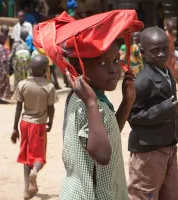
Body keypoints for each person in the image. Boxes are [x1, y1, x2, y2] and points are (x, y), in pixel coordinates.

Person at [33, 10, 143, 199]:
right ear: (78, 69)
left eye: (116, 61)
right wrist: (92, 104)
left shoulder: (91, 99)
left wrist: (127, 102)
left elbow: (107, 133)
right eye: (102, 63)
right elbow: (102, 154)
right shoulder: (89, 104)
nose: (114, 70)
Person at [128, 27, 178, 200]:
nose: (161, 53)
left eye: (165, 48)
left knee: (170, 193)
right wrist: (165, 109)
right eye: (155, 50)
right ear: (143, 52)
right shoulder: (142, 81)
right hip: (148, 152)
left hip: (168, 145)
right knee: (145, 194)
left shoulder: (166, 72)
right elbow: (133, 116)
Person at [11, 55, 57, 200]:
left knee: (26, 156)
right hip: (38, 125)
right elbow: (51, 109)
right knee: (39, 156)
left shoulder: (22, 84)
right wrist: (51, 122)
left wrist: (14, 128)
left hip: (24, 124)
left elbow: (18, 107)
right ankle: (35, 172)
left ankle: (26, 190)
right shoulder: (49, 87)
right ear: (45, 70)